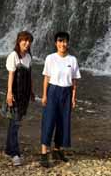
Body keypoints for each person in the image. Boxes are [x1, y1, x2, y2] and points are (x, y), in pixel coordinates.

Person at [40, 31, 81, 168]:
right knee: (49, 121)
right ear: (55, 43)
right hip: (53, 91)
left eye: (65, 41)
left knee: (63, 123)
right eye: (60, 41)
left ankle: (57, 151)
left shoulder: (72, 60)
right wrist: (44, 95)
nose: (63, 44)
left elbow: (74, 81)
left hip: (67, 92)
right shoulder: (50, 58)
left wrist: (74, 98)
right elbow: (46, 77)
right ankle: (44, 153)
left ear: (68, 43)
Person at [5, 30, 35, 166]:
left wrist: (32, 92)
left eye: (29, 41)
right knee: (15, 124)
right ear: (19, 41)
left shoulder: (28, 56)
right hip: (16, 95)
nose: (27, 43)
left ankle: (8, 149)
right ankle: (15, 153)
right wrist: (9, 93)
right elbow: (11, 75)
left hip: (25, 95)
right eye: (25, 40)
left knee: (14, 123)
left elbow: (30, 76)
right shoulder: (14, 56)